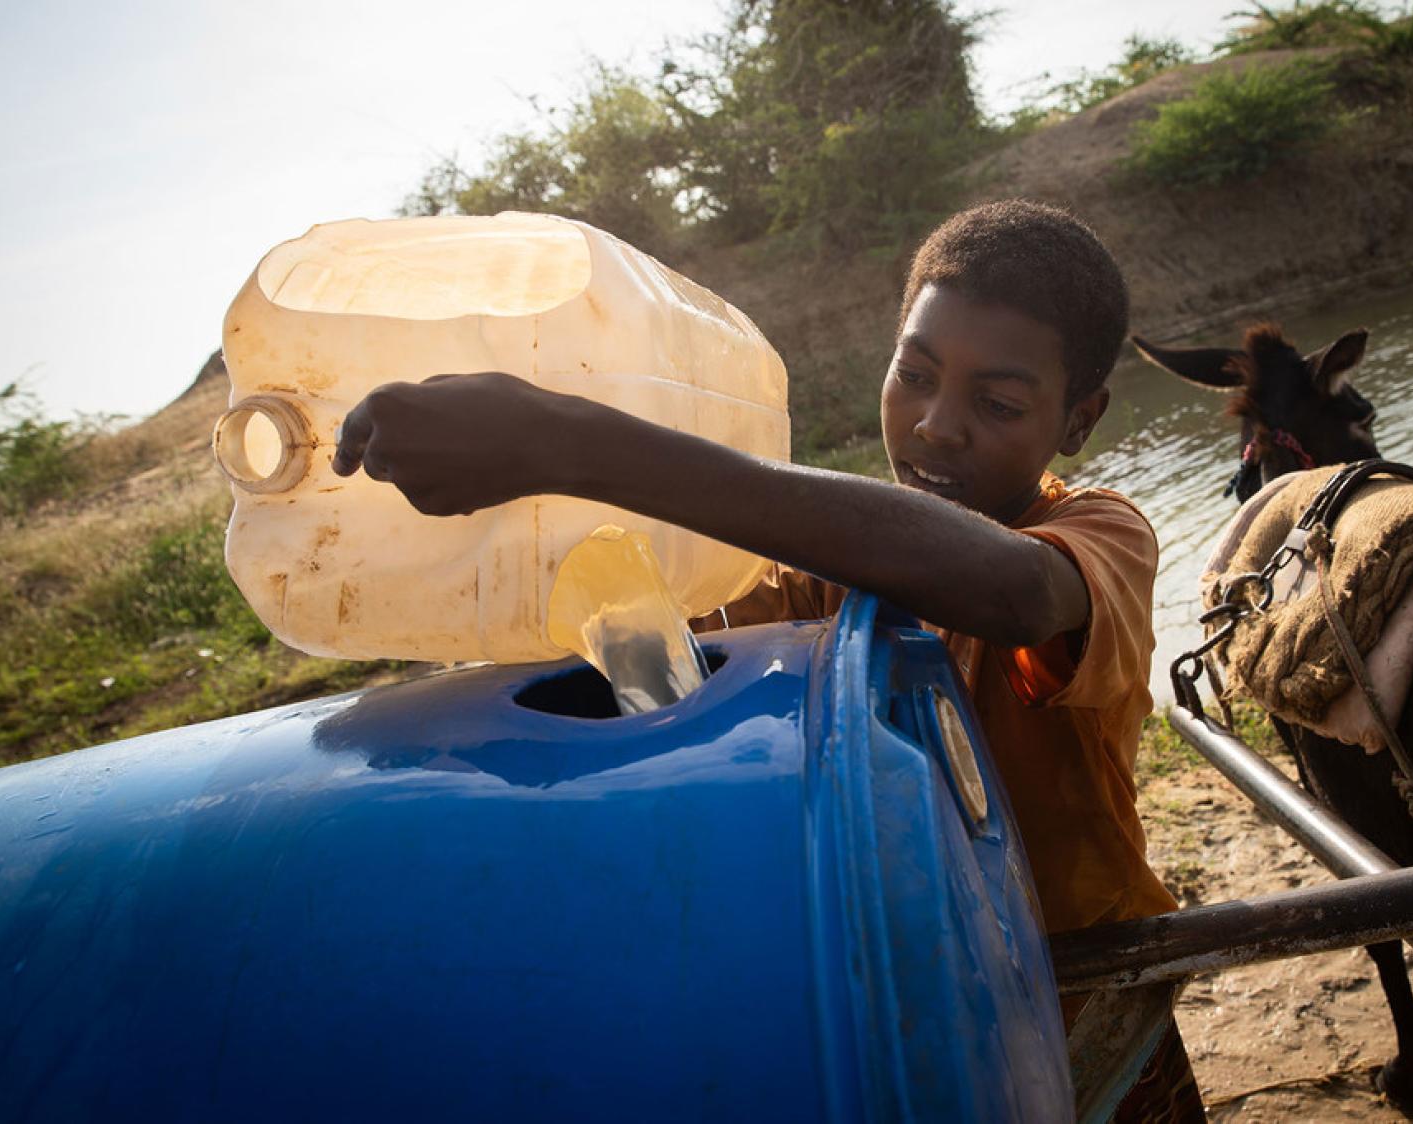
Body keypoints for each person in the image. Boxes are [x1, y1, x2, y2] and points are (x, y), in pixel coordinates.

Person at [331, 199, 1204, 1121]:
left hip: (1087, 998)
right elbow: (662, 659)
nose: (936, 426)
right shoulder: (820, 573)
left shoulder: (1093, 537)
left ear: (1080, 419)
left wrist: (570, 441)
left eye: (997, 404)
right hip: (908, 994)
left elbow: (1013, 594)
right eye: (914, 373)